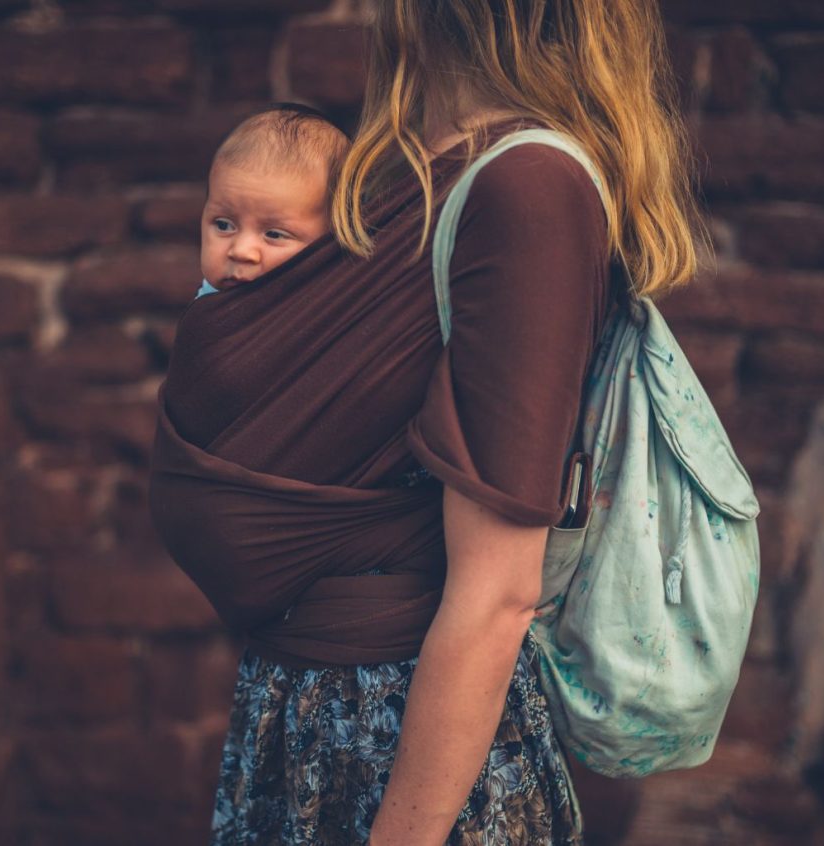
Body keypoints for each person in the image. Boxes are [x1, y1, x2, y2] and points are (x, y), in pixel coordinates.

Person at [147, 1, 707, 843]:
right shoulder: (403, 168)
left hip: (397, 738)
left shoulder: (527, 188)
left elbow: (497, 590)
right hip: (303, 713)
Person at [195, 103, 350, 298]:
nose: (241, 251)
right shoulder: (206, 304)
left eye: (274, 235)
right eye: (224, 225)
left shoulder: (329, 309)